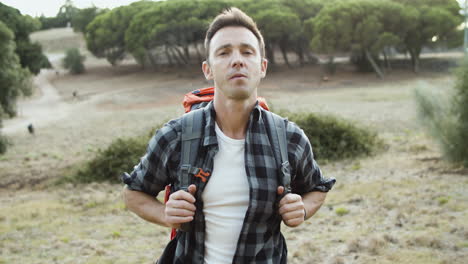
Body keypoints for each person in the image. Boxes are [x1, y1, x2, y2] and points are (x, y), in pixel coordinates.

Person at [122, 7, 335, 264]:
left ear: (262, 66)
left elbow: (317, 188)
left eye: (247, 52)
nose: (237, 60)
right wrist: (165, 214)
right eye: (224, 53)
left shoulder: (290, 138)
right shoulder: (177, 135)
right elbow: (134, 192)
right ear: (208, 69)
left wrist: (302, 209)